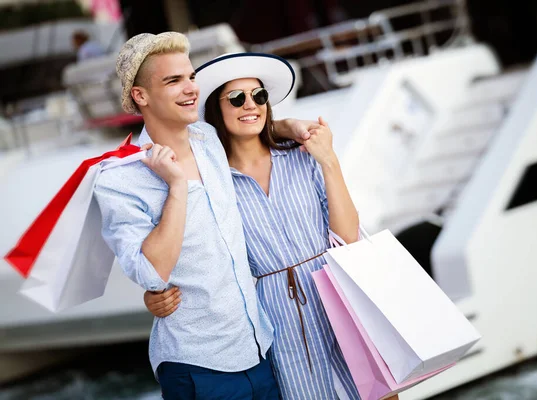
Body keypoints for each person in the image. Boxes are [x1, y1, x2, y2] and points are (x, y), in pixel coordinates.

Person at [93, 33, 316, 400]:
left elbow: (249, 125)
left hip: (258, 348)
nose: (190, 89)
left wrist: (285, 125)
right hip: (198, 365)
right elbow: (151, 272)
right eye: (173, 80)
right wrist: (176, 187)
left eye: (191, 77)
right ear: (141, 96)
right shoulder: (119, 179)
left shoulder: (207, 138)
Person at [145, 53, 362, 399]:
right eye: (236, 98)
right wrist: (156, 292)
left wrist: (329, 161)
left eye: (259, 96)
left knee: (369, 389)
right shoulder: (214, 182)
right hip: (274, 316)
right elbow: (200, 253)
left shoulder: (301, 156)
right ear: (217, 109)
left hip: (336, 294)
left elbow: (348, 236)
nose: (251, 105)